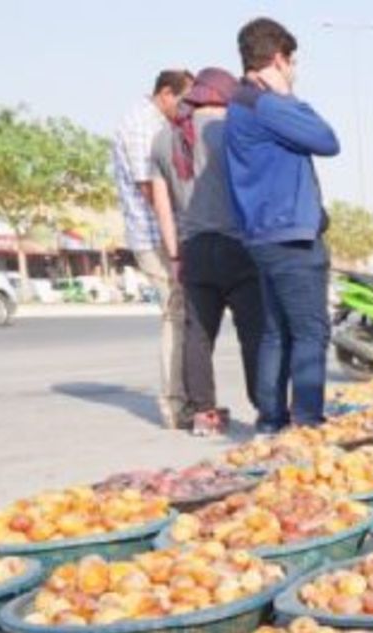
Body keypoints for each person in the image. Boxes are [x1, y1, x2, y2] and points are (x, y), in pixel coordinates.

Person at [226, 17, 340, 433]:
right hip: (289, 234)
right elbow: (328, 140)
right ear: (277, 59)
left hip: (262, 234)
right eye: (290, 63)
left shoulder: (238, 104)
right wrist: (288, 95)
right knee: (310, 331)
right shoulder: (269, 105)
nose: (293, 71)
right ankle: (307, 422)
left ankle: (270, 422)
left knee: (277, 332)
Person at [149, 67, 261, 438]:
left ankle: (204, 414)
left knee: (197, 335)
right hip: (238, 245)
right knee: (253, 331)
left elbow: (162, 205)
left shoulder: (165, 139)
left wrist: (175, 254)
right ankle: (266, 407)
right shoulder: (232, 130)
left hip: (194, 248)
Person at [112, 69, 193, 427]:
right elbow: (152, 191)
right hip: (155, 236)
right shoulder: (144, 125)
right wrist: (176, 245)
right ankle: (174, 405)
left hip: (159, 234)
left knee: (183, 313)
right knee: (175, 315)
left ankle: (185, 398)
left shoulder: (152, 122)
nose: (186, 108)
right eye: (183, 99)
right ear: (165, 93)